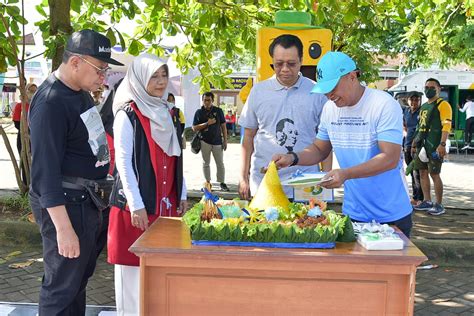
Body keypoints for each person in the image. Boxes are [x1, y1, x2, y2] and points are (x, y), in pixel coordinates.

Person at [28, 29, 123, 315]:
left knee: (77, 284)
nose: (103, 77)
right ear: (75, 62)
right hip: (67, 207)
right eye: (100, 69)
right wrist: (63, 229)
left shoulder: (79, 94)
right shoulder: (50, 103)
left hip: (88, 203)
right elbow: (45, 175)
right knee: (60, 288)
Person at [273, 51, 413, 237]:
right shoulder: (330, 109)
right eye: (325, 89)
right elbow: (319, 149)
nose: (330, 95)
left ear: (352, 77)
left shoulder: (383, 105)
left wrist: (345, 174)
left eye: (333, 87)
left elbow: (389, 158)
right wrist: (292, 158)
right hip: (353, 213)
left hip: (391, 213)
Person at [107, 53, 187, 315]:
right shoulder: (127, 115)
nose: (161, 81)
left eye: (164, 75)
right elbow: (123, 162)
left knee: (161, 276)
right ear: (140, 78)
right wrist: (136, 204)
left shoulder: (169, 113)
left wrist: (182, 193)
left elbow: (177, 157)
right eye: (154, 75)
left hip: (164, 208)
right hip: (136, 209)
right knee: (132, 278)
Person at [238, 34, 331, 200]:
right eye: (279, 64)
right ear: (273, 61)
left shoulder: (317, 93)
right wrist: (243, 177)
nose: (285, 69)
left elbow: (326, 142)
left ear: (301, 60)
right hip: (265, 184)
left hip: (305, 184)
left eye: (292, 64)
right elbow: (248, 138)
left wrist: (327, 177)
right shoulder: (258, 92)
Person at [412, 78, 452, 216]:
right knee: (422, 172)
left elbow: (446, 125)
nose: (428, 89)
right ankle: (427, 201)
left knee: (434, 174)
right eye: (426, 86)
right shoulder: (423, 106)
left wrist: (442, 144)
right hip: (422, 146)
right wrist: (414, 142)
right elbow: (420, 127)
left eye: (431, 87)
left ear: (439, 88)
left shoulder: (443, 105)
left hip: (435, 146)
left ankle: (439, 204)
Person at [192, 92, 229, 191]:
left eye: (208, 100)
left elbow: (223, 127)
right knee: (206, 163)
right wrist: (206, 123)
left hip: (217, 142)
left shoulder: (218, 111)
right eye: (204, 100)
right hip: (204, 141)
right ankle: (208, 183)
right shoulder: (199, 112)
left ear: (212, 100)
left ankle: (222, 182)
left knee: (220, 163)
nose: (206, 102)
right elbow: (194, 128)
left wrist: (225, 141)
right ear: (202, 100)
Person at [12, 82, 37, 184]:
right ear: (25, 92)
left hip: (36, 138)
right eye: (30, 91)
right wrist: (28, 132)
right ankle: (26, 185)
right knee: (25, 163)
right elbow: (17, 124)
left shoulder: (37, 105)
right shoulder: (20, 106)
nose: (33, 93)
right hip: (23, 138)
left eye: (35, 91)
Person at [403, 91, 424, 205]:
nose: (414, 102)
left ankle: (420, 198)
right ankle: (415, 197)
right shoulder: (406, 111)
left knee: (417, 172)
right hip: (407, 145)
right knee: (411, 172)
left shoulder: (421, 112)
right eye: (412, 99)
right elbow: (404, 125)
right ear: (408, 100)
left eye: (417, 100)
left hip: (417, 147)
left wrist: (415, 144)